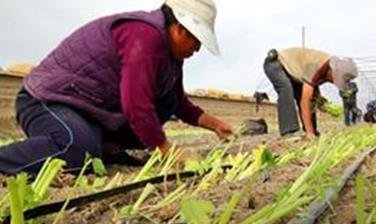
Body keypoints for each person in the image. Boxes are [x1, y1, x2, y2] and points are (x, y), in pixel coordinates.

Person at [0, 0, 233, 175]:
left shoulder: (172, 57)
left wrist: (215, 125)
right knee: (75, 150)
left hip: (89, 112)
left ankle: (105, 145)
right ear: (180, 28)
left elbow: (179, 103)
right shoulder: (144, 36)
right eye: (196, 40)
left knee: (166, 101)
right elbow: (136, 105)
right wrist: (166, 149)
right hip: (47, 102)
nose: (198, 49)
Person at [263, 47, 358, 140]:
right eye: (336, 79)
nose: (334, 82)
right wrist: (309, 132)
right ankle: (289, 132)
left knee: (310, 98)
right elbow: (305, 102)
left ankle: (311, 130)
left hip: (293, 74)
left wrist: (320, 102)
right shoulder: (317, 66)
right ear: (333, 70)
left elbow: (313, 93)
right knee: (286, 89)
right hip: (275, 64)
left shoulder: (327, 68)